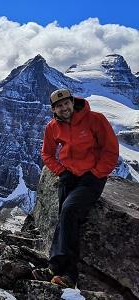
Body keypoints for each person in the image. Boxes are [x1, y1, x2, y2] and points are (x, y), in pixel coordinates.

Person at [32, 88, 119, 288]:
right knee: (65, 217)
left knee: (69, 210)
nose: (64, 108)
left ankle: (70, 275)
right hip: (69, 177)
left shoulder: (95, 119)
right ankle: (54, 268)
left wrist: (97, 173)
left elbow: (111, 149)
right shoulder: (52, 127)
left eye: (66, 103)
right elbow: (47, 154)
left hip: (91, 178)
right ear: (54, 109)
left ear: (73, 102)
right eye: (59, 106)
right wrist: (61, 172)